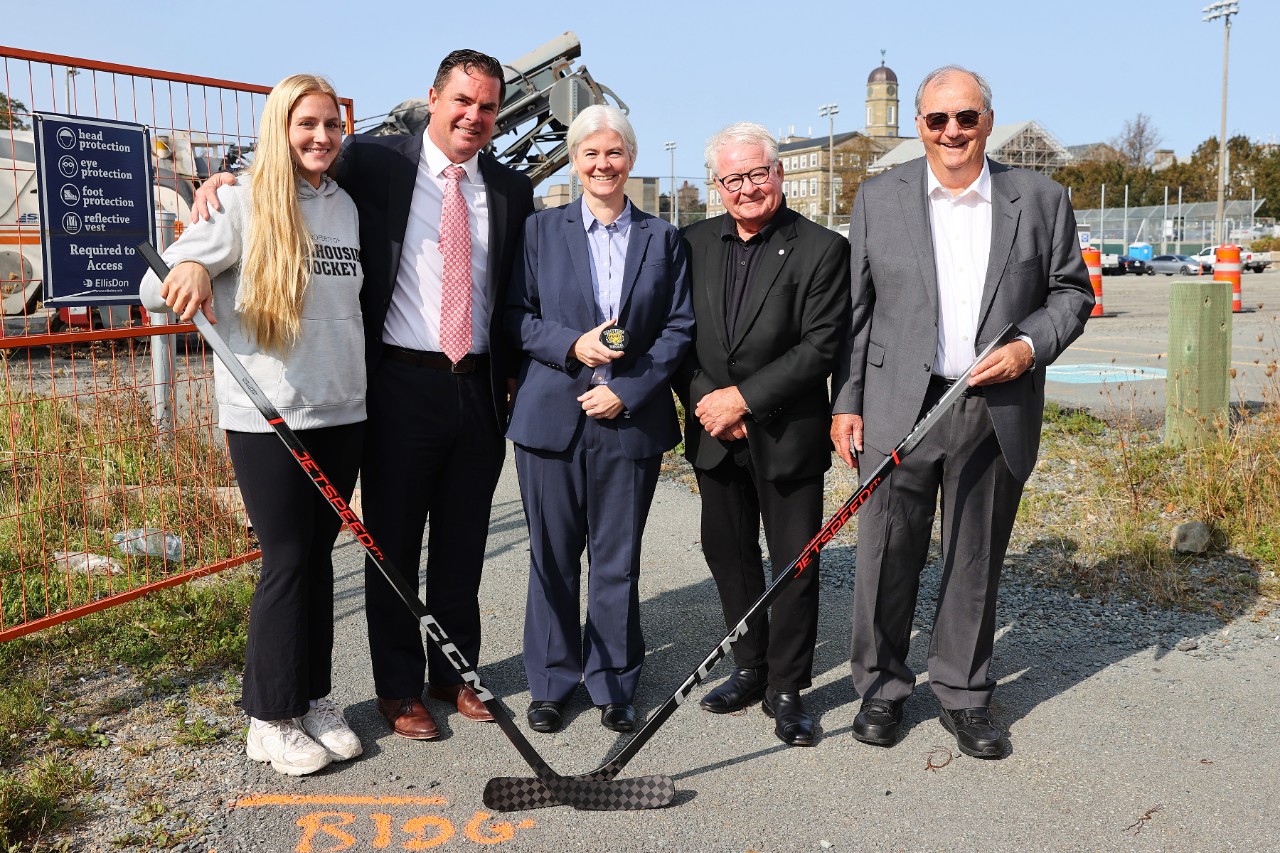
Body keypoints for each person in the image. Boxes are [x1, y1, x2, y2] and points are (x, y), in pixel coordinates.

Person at [192, 50, 535, 741]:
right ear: (432, 97)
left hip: (476, 389)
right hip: (399, 383)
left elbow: (507, 291)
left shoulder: (508, 187)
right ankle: (399, 687)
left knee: (464, 543)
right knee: (393, 543)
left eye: (488, 107)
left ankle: (454, 671)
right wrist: (223, 186)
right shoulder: (376, 163)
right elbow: (291, 173)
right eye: (461, 101)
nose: (474, 117)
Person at [830, 65, 1094, 758]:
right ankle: (883, 688)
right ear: (918, 124)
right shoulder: (879, 198)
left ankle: (964, 691)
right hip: (897, 408)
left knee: (973, 556)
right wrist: (847, 402)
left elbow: (1071, 293)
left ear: (987, 120)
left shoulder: (1038, 198)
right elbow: (856, 313)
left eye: (966, 118)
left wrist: (1029, 348)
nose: (952, 131)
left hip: (990, 406)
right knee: (886, 554)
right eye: (937, 119)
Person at [143, 74, 365, 775]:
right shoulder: (240, 201)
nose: (321, 136)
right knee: (287, 558)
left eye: (331, 124)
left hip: (341, 408)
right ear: (281, 126)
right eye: (307, 124)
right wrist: (196, 273)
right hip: (269, 416)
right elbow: (158, 285)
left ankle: (317, 696)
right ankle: (270, 717)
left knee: (320, 558)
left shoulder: (346, 206)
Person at [504, 105, 693, 735]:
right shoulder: (539, 233)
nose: (602, 164)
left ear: (630, 160)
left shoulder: (663, 240)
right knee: (551, 557)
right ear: (575, 161)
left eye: (613, 153)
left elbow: (679, 327)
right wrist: (571, 346)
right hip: (551, 419)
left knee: (617, 560)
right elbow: (516, 316)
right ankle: (553, 681)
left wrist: (631, 389)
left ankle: (614, 682)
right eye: (589, 153)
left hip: (626, 421)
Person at [674, 122, 849, 747]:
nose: (747, 188)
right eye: (733, 178)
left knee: (795, 565)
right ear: (717, 185)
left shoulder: (821, 249)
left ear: (777, 174)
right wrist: (708, 403)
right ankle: (749, 666)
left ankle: (789, 687)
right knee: (728, 554)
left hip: (786, 433)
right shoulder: (690, 243)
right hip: (715, 433)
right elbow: (677, 337)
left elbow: (821, 344)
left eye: (757, 174)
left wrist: (743, 400)